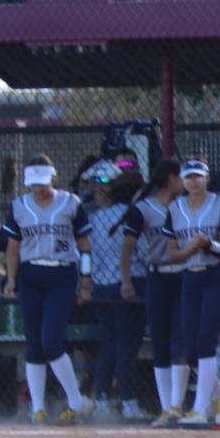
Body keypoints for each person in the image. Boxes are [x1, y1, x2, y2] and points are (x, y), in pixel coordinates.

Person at [0, 157, 92, 423]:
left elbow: (84, 245)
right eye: (33, 184)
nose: (37, 189)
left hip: (62, 273)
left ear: (52, 177)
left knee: (51, 340)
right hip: (31, 275)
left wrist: (86, 280)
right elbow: (13, 248)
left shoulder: (70, 203)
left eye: (42, 183)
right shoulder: (19, 206)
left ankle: (76, 401)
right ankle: (37, 409)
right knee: (34, 344)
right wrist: (11, 279)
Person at [164, 157, 220, 427]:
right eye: (189, 177)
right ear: (182, 181)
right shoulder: (176, 208)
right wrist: (190, 249)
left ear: (206, 178)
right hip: (190, 278)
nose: (193, 181)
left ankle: (201, 407)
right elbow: (173, 253)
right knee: (190, 349)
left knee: (206, 341)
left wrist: (208, 244)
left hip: (216, 276)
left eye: (198, 176)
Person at [119, 159, 187, 425]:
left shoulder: (186, 206)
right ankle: (166, 407)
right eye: (182, 177)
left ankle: (177, 406)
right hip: (157, 277)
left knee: (180, 341)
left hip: (184, 276)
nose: (186, 183)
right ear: (171, 178)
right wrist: (126, 280)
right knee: (160, 342)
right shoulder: (143, 209)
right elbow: (127, 248)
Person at [82, 160, 143, 419]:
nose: (98, 189)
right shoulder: (129, 214)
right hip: (125, 286)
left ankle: (103, 400)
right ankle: (128, 403)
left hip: (101, 287)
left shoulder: (92, 218)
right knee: (125, 346)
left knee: (110, 346)